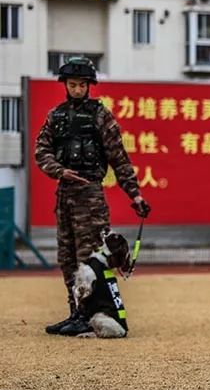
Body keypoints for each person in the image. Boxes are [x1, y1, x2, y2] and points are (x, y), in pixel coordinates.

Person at [35, 57, 150, 336]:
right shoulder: (55, 116)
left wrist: (134, 195)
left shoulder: (101, 116)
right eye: (72, 84)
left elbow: (119, 158)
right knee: (67, 258)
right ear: (65, 85)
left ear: (89, 86)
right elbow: (41, 152)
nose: (77, 89)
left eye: (81, 84)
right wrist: (60, 171)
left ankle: (92, 313)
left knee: (90, 259)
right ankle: (76, 312)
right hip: (65, 194)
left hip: (90, 197)